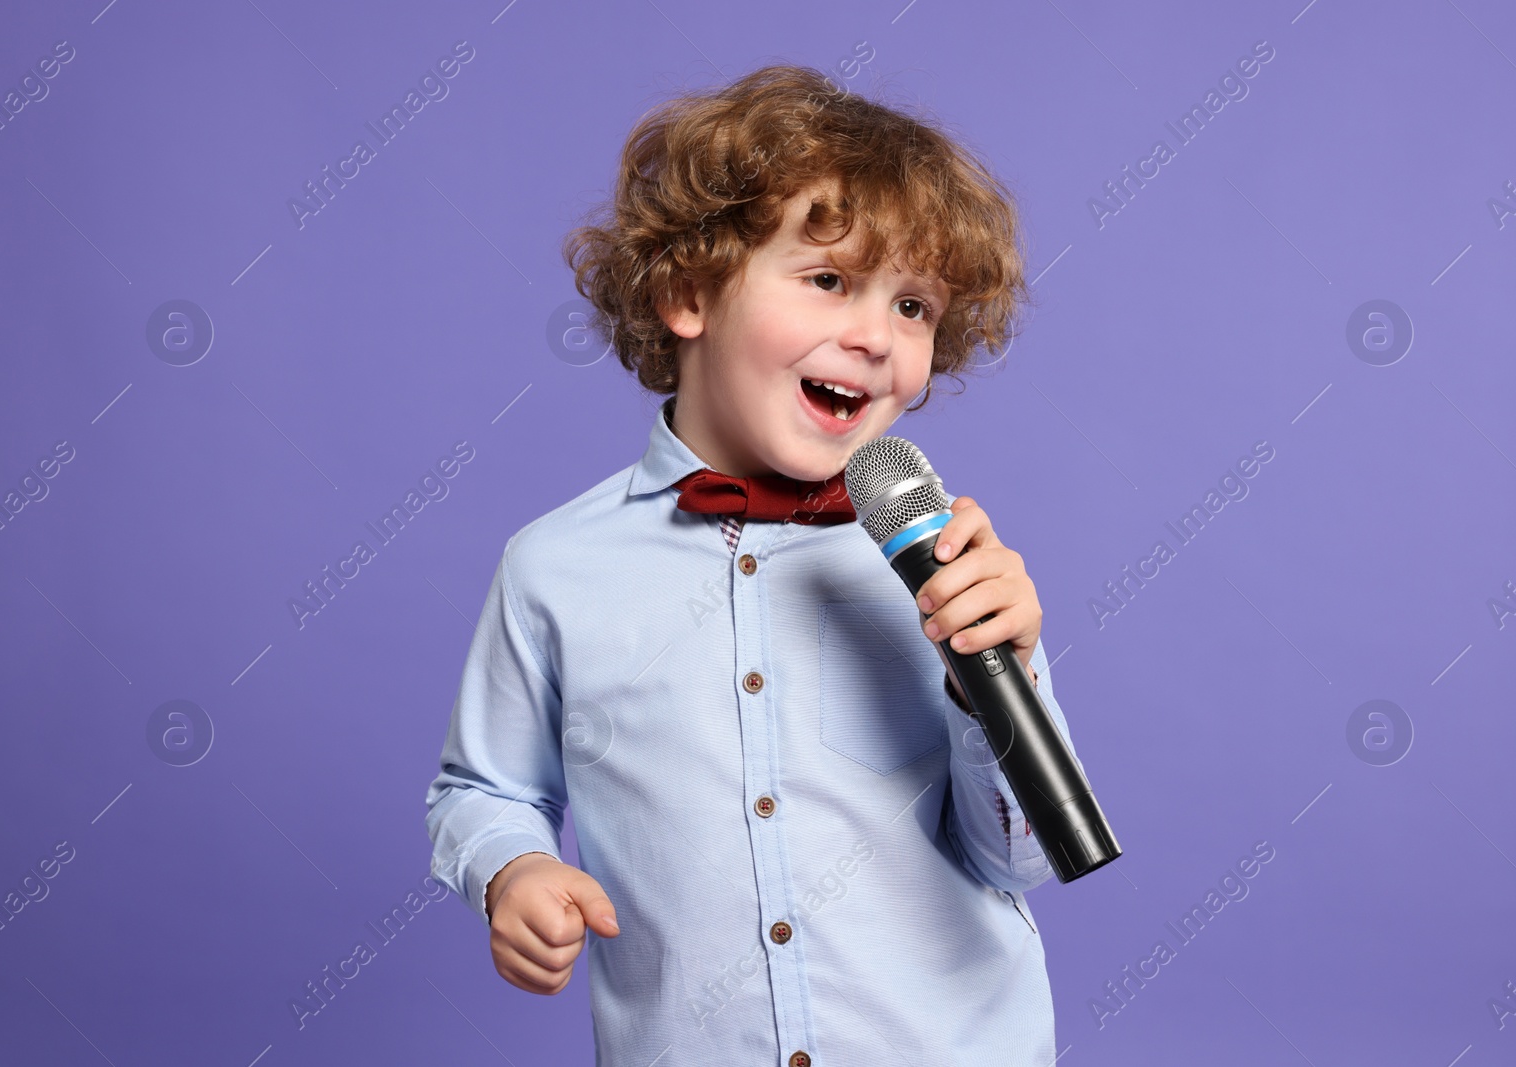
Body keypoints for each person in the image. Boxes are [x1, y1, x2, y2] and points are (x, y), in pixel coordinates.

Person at [425, 63, 1086, 1065]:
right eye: (829, 280)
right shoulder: (554, 566)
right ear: (690, 291)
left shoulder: (940, 561)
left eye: (914, 307)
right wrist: (510, 867)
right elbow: (480, 784)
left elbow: (1020, 856)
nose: (874, 336)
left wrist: (996, 672)